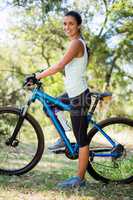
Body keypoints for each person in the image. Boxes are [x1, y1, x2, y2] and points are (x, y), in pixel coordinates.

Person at [34, 11, 91, 188]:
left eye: (71, 24)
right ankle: (63, 136)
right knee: (49, 106)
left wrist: (38, 76)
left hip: (79, 97)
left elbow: (60, 65)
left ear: (78, 25)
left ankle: (79, 179)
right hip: (72, 94)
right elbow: (62, 66)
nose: (67, 27)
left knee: (81, 139)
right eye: (64, 24)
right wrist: (42, 72)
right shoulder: (73, 44)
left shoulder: (76, 43)